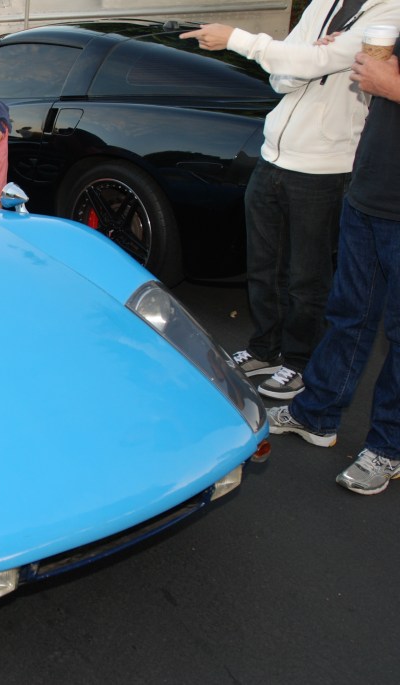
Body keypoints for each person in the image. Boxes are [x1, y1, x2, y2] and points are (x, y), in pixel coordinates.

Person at [181, 1, 400, 401]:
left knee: (308, 277)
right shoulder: (323, 2)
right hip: (273, 155)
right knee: (264, 267)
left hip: (328, 165)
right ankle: (266, 349)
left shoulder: (389, 13)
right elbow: (281, 78)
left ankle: (299, 362)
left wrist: (240, 39)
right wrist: (305, 58)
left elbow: (313, 61)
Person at [266, 44, 400, 495]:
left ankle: (388, 447)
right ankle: (315, 414)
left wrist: (393, 86)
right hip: (368, 194)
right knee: (349, 316)